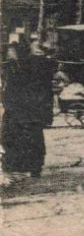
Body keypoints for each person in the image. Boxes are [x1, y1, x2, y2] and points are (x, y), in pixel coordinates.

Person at [2, 41, 56, 180]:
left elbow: (14, 88)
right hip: (29, 109)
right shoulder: (38, 64)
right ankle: (32, 167)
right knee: (31, 137)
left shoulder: (23, 66)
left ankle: (23, 166)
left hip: (23, 108)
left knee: (21, 136)